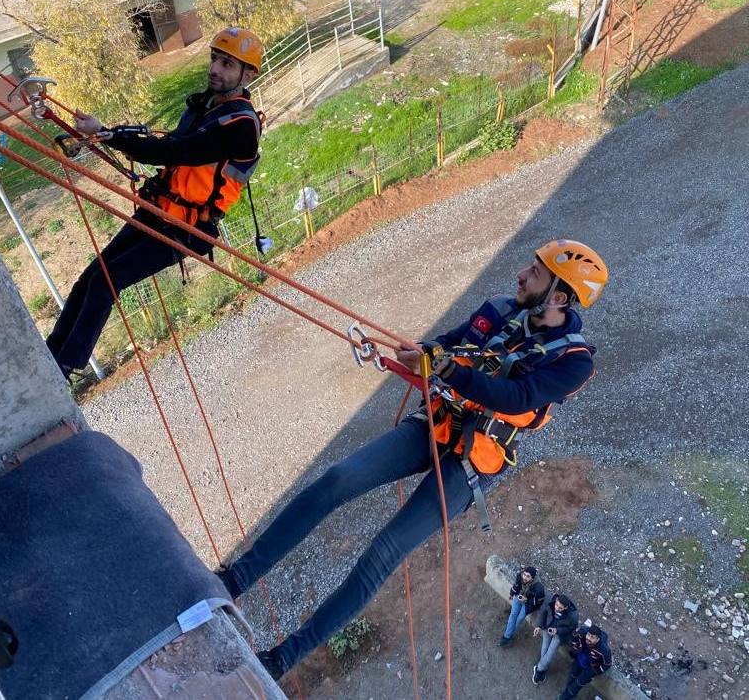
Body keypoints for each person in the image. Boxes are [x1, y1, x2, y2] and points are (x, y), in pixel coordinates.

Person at [216, 240, 609, 680]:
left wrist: (448, 370)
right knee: (337, 481)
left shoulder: (573, 362)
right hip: (435, 424)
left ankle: (281, 658)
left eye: (535, 273)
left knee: (382, 553)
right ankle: (233, 581)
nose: (520, 274)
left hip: (471, 462)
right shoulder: (499, 310)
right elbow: (448, 344)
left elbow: (517, 395)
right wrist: (423, 354)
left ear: (558, 297)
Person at [45, 27, 264, 380]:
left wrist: (117, 139)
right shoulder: (204, 107)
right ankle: (50, 355)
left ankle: (65, 365)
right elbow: (172, 143)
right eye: (214, 59)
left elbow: (177, 150)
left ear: (248, 74)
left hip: (188, 228)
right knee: (90, 277)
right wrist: (109, 131)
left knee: (107, 280)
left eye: (227, 64)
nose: (215, 69)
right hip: (160, 210)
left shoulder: (240, 125)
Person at [531, 592, 579, 684]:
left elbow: (570, 629)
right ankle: (543, 669)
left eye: (560, 608)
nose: (556, 608)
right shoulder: (549, 600)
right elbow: (542, 612)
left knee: (550, 653)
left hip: (559, 634)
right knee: (545, 647)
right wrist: (539, 626)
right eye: (556, 605)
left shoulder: (573, 615)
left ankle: (539, 668)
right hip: (547, 627)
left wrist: (557, 631)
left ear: (566, 608)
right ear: (556, 600)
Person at [557, 624, 612, 699]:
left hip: (588, 670)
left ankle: (564, 697)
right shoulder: (582, 633)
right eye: (588, 635)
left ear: (598, 639)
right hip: (578, 662)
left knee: (576, 685)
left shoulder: (604, 650)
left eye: (592, 637)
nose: (589, 638)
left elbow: (607, 664)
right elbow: (572, 638)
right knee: (571, 678)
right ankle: (568, 693)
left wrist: (594, 671)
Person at [499, 565, 545, 646]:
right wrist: (511, 593)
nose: (524, 577)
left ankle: (510, 633)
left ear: (532, 578)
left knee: (519, 618)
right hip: (519, 596)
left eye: (528, 576)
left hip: (528, 604)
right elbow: (516, 585)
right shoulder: (520, 576)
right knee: (513, 615)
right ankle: (507, 637)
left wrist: (527, 600)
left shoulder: (539, 588)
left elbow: (537, 603)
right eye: (524, 574)